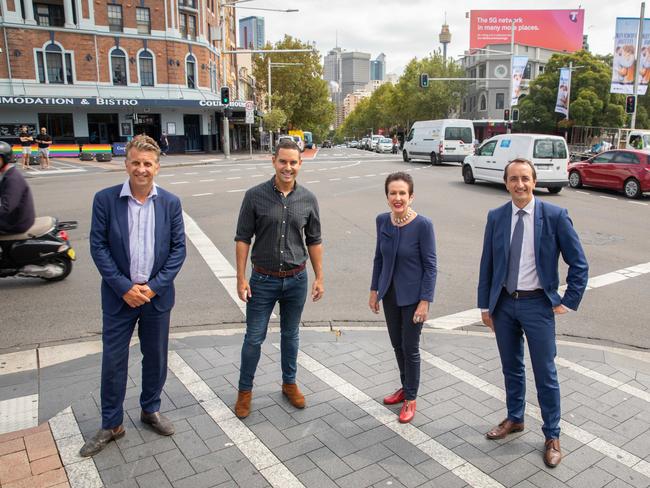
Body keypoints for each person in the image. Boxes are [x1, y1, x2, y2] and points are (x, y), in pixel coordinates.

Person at [80, 135, 186, 457]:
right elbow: (98, 247)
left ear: (157, 167)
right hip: (119, 296)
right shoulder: (105, 200)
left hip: (156, 296)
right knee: (113, 360)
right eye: (136, 162)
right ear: (126, 164)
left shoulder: (170, 203)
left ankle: (150, 409)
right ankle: (112, 423)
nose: (142, 169)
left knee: (155, 357)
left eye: (148, 164)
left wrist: (153, 287)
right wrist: (124, 287)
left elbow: (178, 250)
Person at [478, 158, 588, 468]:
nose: (520, 184)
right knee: (511, 367)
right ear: (506, 183)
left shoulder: (554, 215)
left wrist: (569, 299)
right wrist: (485, 305)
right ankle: (515, 418)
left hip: (538, 305)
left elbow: (579, 263)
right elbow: (487, 262)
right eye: (513, 179)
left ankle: (552, 435)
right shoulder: (497, 216)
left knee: (545, 373)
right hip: (504, 304)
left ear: (534, 180)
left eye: (525, 178)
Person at [233, 138, 324, 419]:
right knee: (254, 338)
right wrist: (240, 278)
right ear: (273, 161)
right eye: (283, 161)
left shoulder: (308, 199)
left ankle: (289, 384)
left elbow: (315, 240)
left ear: (300, 163)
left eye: (293, 162)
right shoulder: (254, 196)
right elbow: (242, 238)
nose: (288, 167)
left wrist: (320, 276)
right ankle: (244, 391)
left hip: (296, 280)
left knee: (291, 335)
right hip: (262, 280)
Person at [369, 172, 437, 424]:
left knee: (411, 348)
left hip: (413, 298)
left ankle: (411, 398)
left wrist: (425, 300)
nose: (397, 198)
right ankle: (404, 386)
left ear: (411, 197)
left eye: (402, 194)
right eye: (392, 193)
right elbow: (379, 258)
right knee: (397, 344)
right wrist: (374, 290)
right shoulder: (382, 221)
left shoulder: (423, 225)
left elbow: (430, 266)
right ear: (387, 196)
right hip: (390, 295)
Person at [0, 141, 35, 234]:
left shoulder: (12, 178)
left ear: (5, 158)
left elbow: (6, 208)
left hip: (17, 223)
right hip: (13, 217)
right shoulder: (5, 174)